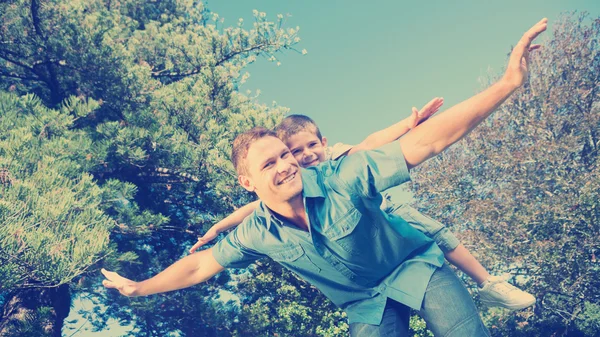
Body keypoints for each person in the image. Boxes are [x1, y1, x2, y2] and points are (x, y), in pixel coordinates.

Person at [102, 18, 547, 336]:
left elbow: (427, 142)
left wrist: (507, 83)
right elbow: (200, 263)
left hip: (415, 267)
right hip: (365, 304)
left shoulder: (341, 176)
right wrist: (142, 288)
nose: (286, 166)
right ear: (248, 183)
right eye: (270, 164)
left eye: (285, 155)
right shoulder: (257, 231)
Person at [190, 109, 535, 310]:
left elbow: (374, 142)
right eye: (297, 151)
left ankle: (487, 282)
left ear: (324, 143)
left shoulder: (340, 159)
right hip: (369, 251)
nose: (307, 155)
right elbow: (254, 208)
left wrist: (410, 123)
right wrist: (220, 227)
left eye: (312, 145)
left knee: (433, 231)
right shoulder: (292, 184)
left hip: (388, 212)